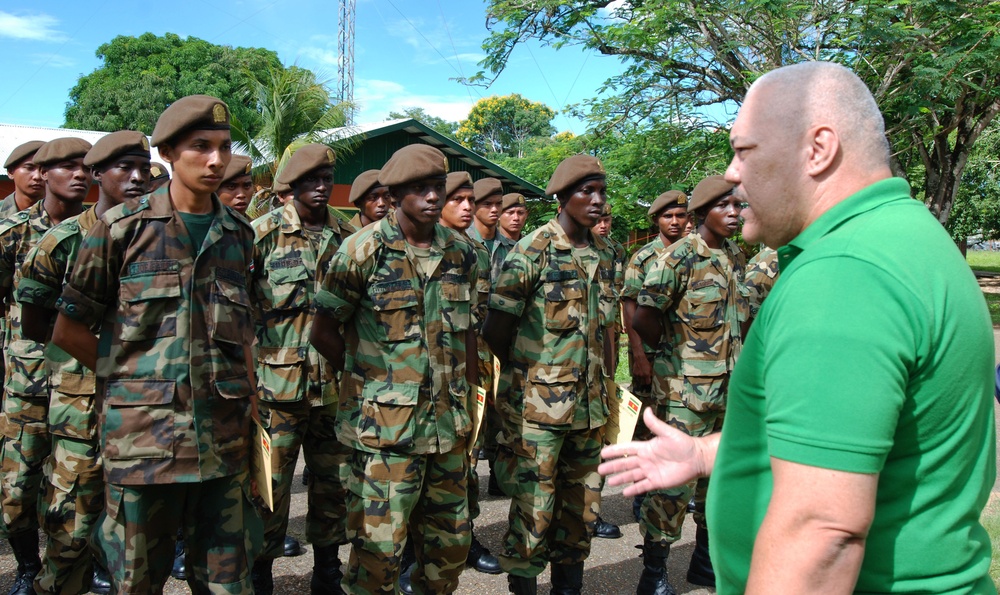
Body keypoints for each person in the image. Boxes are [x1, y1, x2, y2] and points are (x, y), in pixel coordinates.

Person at [601, 61, 996, 594]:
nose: (733, 173)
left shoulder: (845, 273)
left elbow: (821, 533)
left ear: (818, 149)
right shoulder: (897, 237)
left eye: (744, 150)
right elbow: (849, 437)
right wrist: (705, 453)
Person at [52, 95, 262, 594]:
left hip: (223, 439)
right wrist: (128, 379)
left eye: (224, 148)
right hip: (144, 443)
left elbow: (244, 334)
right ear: (166, 153)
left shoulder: (239, 234)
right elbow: (69, 328)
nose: (216, 160)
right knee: (138, 581)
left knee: (229, 583)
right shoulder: (122, 228)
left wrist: (253, 407)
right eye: (200, 147)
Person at [310, 144, 478, 594]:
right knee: (377, 555)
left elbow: (467, 336)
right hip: (385, 434)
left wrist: (474, 399)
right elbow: (323, 329)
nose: (431, 197)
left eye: (436, 187)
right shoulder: (362, 250)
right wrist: (367, 380)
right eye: (419, 189)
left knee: (449, 550)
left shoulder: (461, 253)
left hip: (448, 426)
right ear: (395, 193)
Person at [18, 130, 151, 595]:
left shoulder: (160, 235)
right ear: (97, 174)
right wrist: (85, 363)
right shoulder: (63, 241)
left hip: (146, 410)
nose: (137, 178)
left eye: (144, 168)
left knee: (136, 534)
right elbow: (35, 325)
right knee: (70, 525)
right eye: (123, 168)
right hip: (79, 403)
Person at [482, 154, 616, 595]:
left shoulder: (604, 253)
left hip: (590, 409)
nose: (597, 201)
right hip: (537, 415)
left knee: (581, 514)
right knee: (533, 514)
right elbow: (497, 332)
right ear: (561, 197)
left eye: (601, 192)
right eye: (586, 192)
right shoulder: (533, 251)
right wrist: (532, 382)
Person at [628, 176, 746, 593]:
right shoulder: (677, 258)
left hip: (729, 390)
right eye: (726, 206)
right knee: (673, 486)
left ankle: (704, 560)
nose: (736, 213)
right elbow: (643, 317)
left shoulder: (734, 253)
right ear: (703, 213)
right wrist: (673, 357)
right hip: (684, 395)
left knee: (721, 480)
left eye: (739, 205)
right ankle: (654, 572)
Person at [249, 143, 352, 595]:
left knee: (333, 487)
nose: (321, 186)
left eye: (327, 178)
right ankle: (260, 575)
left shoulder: (348, 236)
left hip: (333, 389)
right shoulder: (261, 235)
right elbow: (235, 311)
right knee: (268, 490)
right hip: (276, 390)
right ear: (291, 186)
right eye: (311, 179)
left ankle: (327, 573)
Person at [0, 136, 92, 595]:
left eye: (86, 166)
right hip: (28, 382)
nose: (81, 174)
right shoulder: (12, 233)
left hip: (82, 382)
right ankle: (25, 565)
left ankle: (74, 566)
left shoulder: (103, 233)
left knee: (76, 490)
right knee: (17, 492)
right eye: (69, 166)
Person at [433, 170, 502, 578]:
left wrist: (476, 377)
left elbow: (477, 317)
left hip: (462, 375)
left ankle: (465, 535)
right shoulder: (412, 245)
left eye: (468, 200)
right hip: (417, 382)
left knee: (465, 462)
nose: (467, 207)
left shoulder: (470, 251)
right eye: (456, 199)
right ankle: (409, 553)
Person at [621, 190, 690, 440]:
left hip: (684, 354)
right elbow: (630, 308)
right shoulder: (643, 258)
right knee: (646, 422)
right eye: (668, 216)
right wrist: (639, 355)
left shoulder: (696, 254)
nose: (675, 222)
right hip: (650, 355)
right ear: (656, 221)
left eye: (680, 215)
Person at [588, 204, 624, 541]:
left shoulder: (614, 252)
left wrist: (612, 367)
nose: (603, 224)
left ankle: (591, 514)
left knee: (600, 438)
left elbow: (614, 314)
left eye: (607, 219)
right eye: (598, 219)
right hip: (564, 369)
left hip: (603, 356)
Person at [1, 140, 46, 217]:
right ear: (11, 172)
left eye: (44, 170)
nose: (37, 176)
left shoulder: (67, 217)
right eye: (29, 168)